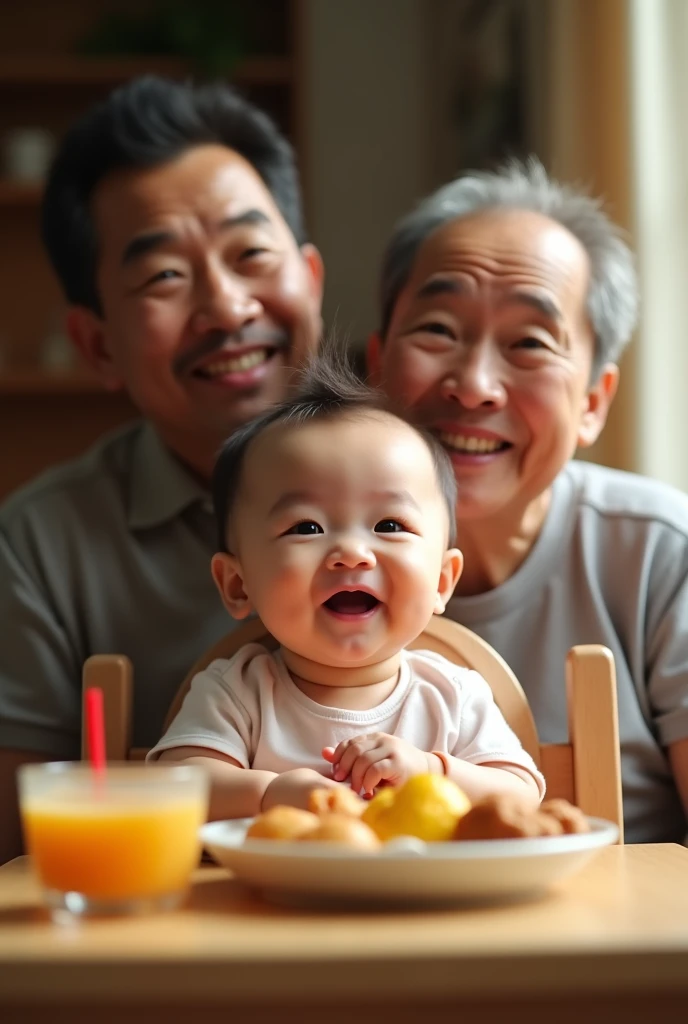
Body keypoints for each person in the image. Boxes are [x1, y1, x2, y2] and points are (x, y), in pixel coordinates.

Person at [0, 75, 324, 862]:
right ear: (97, 344)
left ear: (310, 279)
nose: (227, 308)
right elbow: (22, 844)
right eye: (165, 278)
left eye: (251, 254)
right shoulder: (42, 543)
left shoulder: (433, 488)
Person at [367, 157, 688, 844]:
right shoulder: (292, 550)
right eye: (438, 330)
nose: (475, 385)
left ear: (594, 402)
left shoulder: (661, 553)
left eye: (530, 343)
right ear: (376, 363)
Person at [148, 356, 545, 818]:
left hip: (432, 890)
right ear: (239, 585)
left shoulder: (452, 695)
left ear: (441, 581)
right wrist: (269, 795)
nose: (352, 553)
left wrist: (432, 772)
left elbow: (520, 797)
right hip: (275, 891)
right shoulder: (238, 692)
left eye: (390, 523)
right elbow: (179, 788)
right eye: (307, 528)